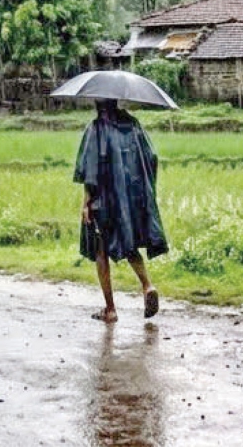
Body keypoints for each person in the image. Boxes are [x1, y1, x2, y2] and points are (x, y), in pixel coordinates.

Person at [74, 98, 167, 323]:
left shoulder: (96, 128)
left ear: (98, 103)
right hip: (131, 197)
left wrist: (86, 202)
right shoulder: (134, 125)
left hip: (104, 199)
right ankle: (147, 286)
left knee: (101, 250)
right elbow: (152, 158)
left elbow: (91, 170)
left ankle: (110, 309)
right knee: (129, 243)